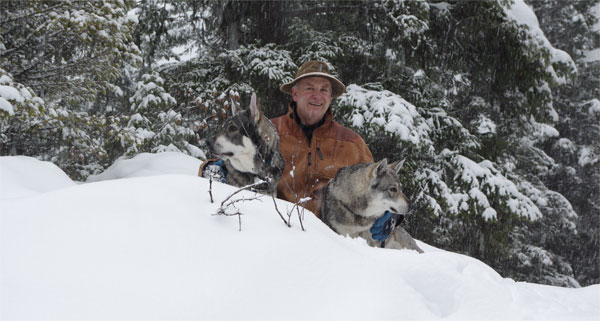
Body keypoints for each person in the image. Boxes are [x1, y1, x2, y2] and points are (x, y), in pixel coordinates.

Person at [273, 60, 373, 217]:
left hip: (332, 237)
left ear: (330, 97)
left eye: (324, 90)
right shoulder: (269, 133)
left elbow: (378, 185)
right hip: (276, 229)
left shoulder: (351, 144)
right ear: (294, 94)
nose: (317, 96)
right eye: (310, 88)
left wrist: (389, 218)